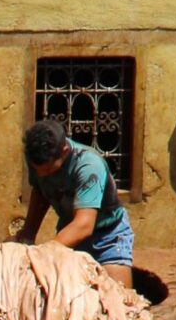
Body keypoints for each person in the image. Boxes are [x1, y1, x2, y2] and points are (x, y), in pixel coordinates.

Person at [18, 117, 136, 287]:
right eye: (39, 171)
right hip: (69, 230)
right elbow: (40, 192)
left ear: (64, 151)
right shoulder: (37, 159)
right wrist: (28, 233)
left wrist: (43, 253)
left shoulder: (88, 166)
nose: (43, 174)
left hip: (107, 237)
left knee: (120, 299)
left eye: (50, 170)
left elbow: (84, 225)